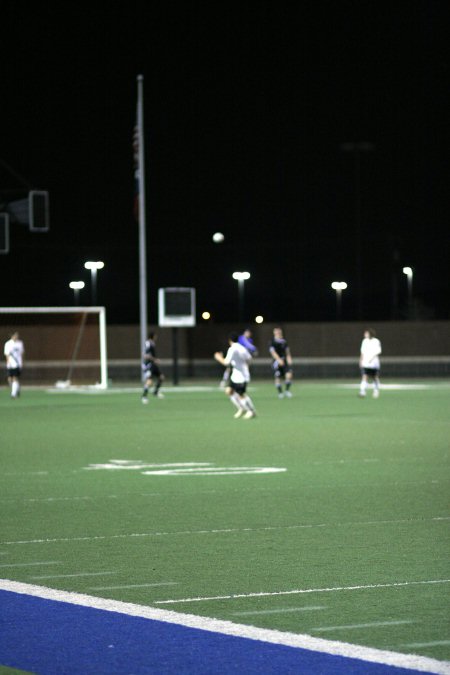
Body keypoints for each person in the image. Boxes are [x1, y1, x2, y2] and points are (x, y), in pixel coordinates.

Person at [214, 332, 257, 419]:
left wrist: (218, 357)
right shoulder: (242, 348)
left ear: (230, 340)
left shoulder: (232, 349)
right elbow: (249, 359)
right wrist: (244, 366)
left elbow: (226, 362)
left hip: (240, 377)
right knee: (229, 391)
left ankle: (251, 411)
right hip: (237, 375)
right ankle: (242, 408)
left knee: (241, 394)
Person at [269, 327, 293, 398]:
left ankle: (287, 391)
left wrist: (289, 357)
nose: (278, 333)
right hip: (277, 361)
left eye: (279, 331)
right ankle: (280, 393)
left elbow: (287, 351)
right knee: (278, 377)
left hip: (284, 360)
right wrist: (278, 359)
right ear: (274, 332)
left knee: (289, 375)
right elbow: (273, 352)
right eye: (277, 332)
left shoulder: (284, 341)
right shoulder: (272, 341)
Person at [141, 332, 165, 403]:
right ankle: (144, 396)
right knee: (149, 381)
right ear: (153, 336)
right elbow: (145, 355)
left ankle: (155, 392)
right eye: (155, 336)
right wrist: (155, 360)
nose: (156, 338)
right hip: (148, 365)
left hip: (153, 365)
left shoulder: (152, 343)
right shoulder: (148, 343)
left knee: (161, 377)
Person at [359, 328, 382, 398]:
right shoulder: (364, 341)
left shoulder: (376, 341)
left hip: (374, 363)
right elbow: (362, 352)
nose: (365, 334)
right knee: (364, 376)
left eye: (366, 333)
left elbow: (378, 351)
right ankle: (362, 391)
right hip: (366, 363)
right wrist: (361, 360)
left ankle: (376, 391)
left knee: (375, 377)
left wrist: (371, 358)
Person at [4, 331, 25, 399]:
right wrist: (8, 363)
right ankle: (17, 389)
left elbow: (22, 353)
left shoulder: (20, 343)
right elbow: (7, 354)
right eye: (15, 335)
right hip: (10, 364)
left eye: (17, 335)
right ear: (12, 336)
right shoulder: (8, 344)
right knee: (10, 379)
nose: (16, 337)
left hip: (17, 364)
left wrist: (21, 362)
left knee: (15, 378)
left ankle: (13, 394)